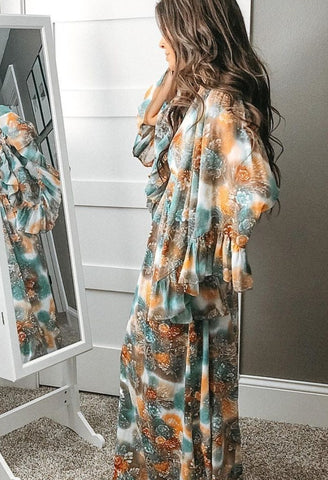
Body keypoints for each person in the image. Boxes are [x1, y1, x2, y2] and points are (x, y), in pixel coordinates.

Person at [113, 1, 281, 479]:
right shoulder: (196, 96)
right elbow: (145, 141)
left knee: (178, 386)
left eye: (168, 34)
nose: (160, 42)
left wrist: (209, 246)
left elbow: (256, 189)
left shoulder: (221, 105)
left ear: (194, 33)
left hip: (187, 277)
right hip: (163, 262)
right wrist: (171, 74)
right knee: (146, 368)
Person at [0, 89, 64, 362]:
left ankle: (50, 349)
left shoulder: (1, 127)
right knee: (11, 289)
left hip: (17, 215)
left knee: (35, 279)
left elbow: (26, 142)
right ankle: (25, 357)